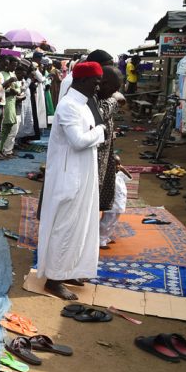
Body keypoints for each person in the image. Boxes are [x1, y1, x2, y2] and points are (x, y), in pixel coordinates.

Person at [35, 62, 106, 300]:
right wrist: (101, 132)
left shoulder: (82, 104)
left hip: (82, 174)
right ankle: (53, 280)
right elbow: (77, 140)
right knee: (64, 227)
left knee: (80, 225)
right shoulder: (68, 106)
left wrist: (97, 132)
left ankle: (68, 271)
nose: (98, 87)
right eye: (95, 82)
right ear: (83, 80)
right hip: (69, 177)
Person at [96, 67, 125, 214]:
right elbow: (101, 114)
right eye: (113, 88)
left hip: (104, 150)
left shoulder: (103, 96)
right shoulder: (91, 98)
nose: (114, 92)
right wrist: (114, 99)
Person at [99, 157, 132, 249]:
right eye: (116, 164)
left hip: (119, 204)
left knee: (113, 222)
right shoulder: (107, 176)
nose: (118, 166)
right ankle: (100, 240)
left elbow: (129, 177)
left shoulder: (120, 174)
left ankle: (106, 237)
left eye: (119, 164)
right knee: (106, 222)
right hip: (111, 204)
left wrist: (123, 169)